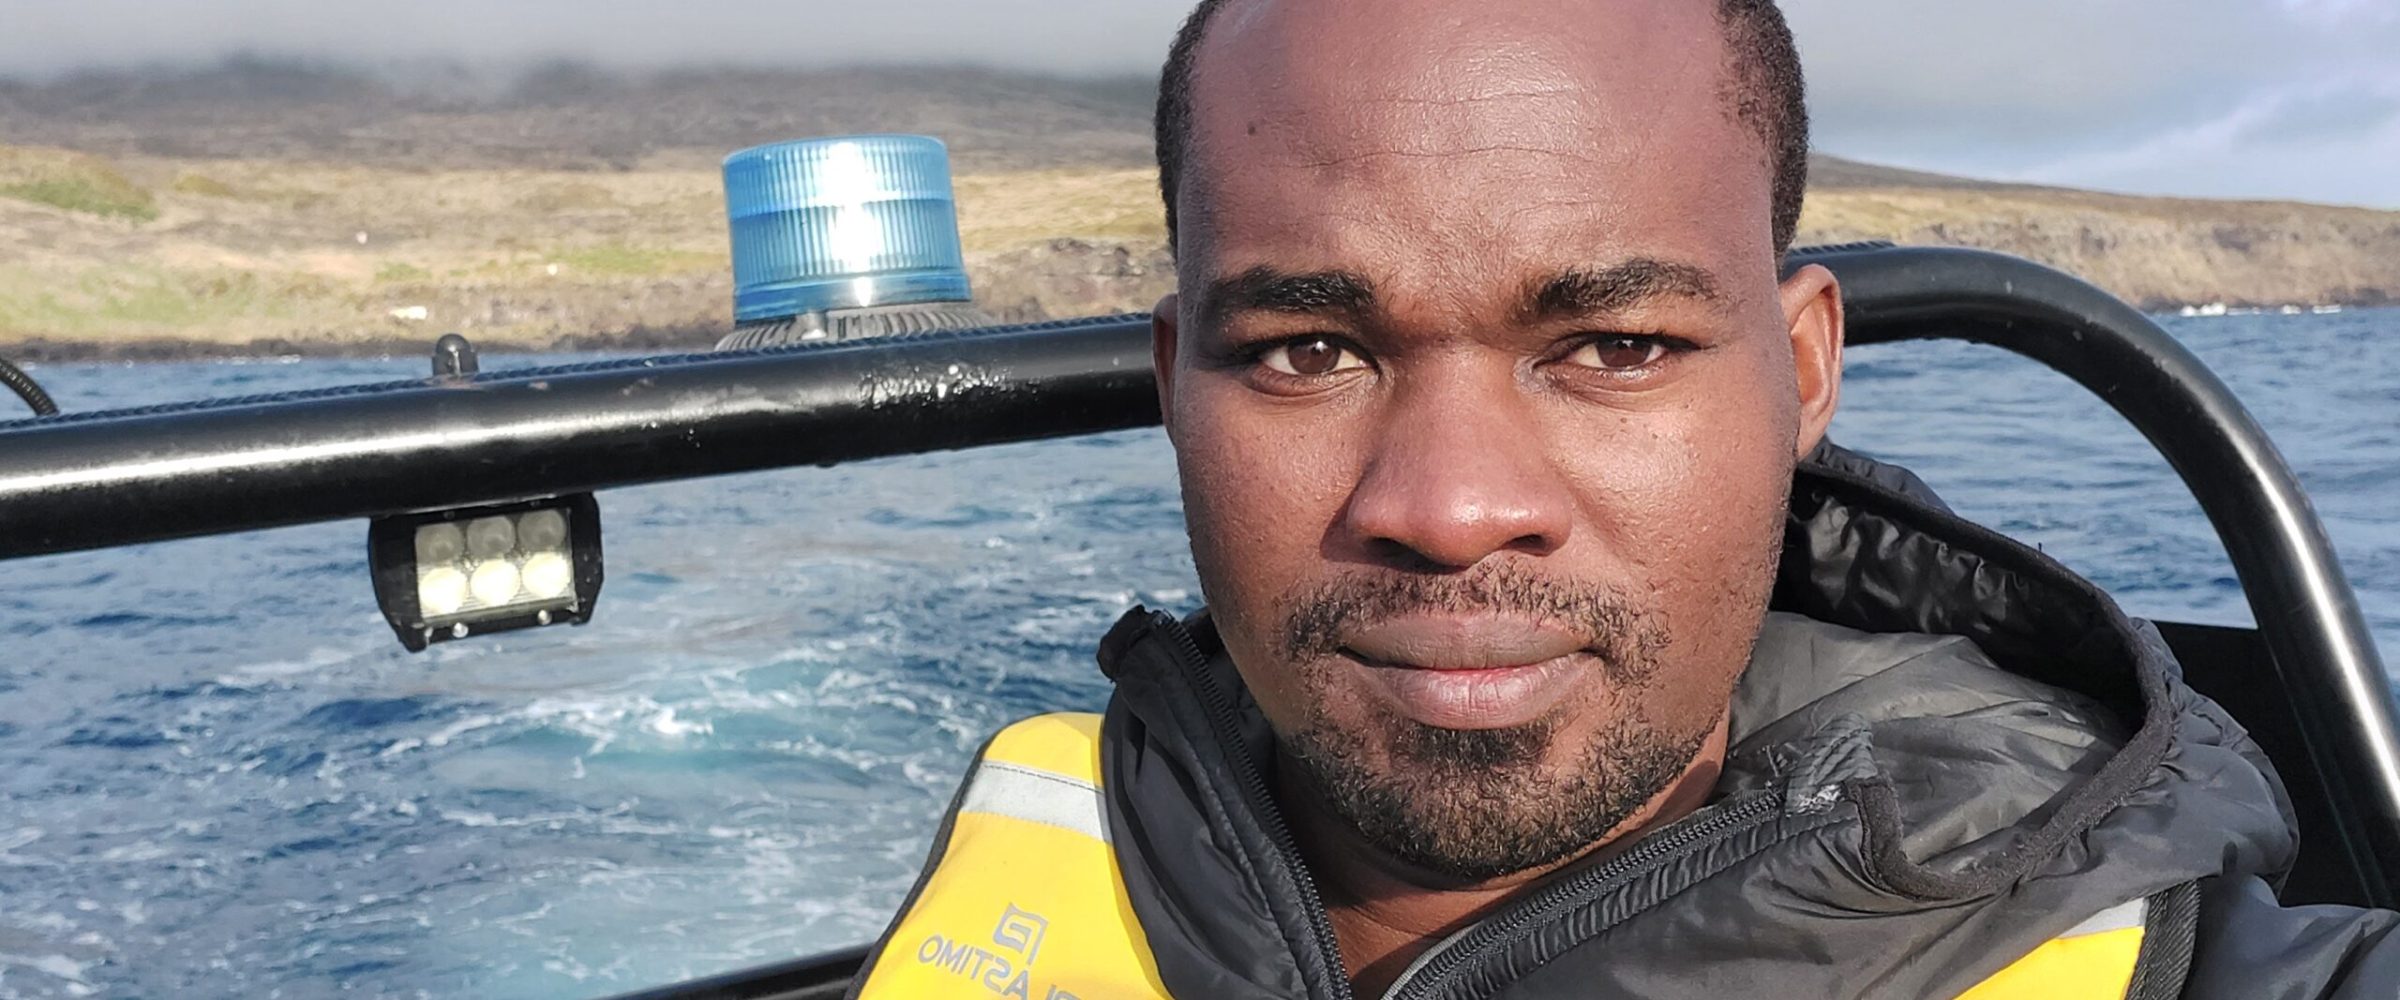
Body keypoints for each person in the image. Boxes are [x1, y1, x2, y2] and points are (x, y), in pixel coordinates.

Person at [846, 0, 2400, 996]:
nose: (1450, 507)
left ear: (1799, 372)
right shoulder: (1045, 841)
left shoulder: (2218, 973)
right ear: (1176, 383)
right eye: (1309, 349)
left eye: (1615, 346)